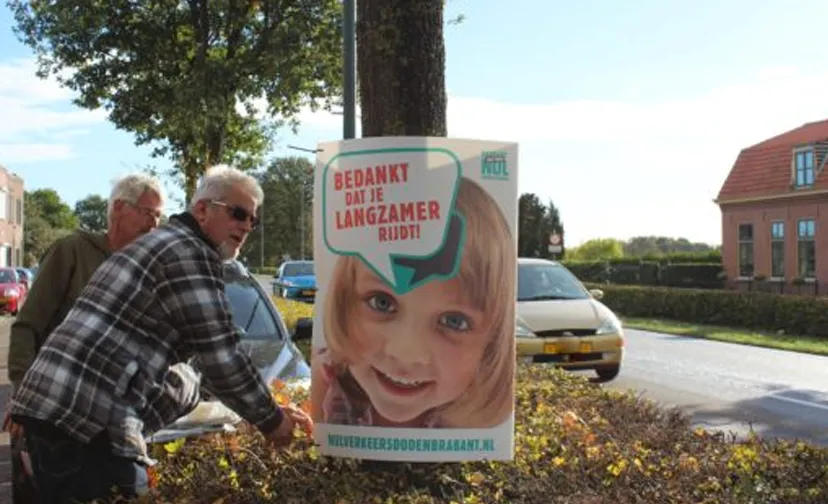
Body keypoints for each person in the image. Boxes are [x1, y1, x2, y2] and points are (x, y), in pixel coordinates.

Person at [8, 165, 312, 504]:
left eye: (253, 220)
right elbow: (221, 357)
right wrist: (272, 421)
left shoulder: (161, 245)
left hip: (66, 418)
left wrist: (273, 404)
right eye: (238, 213)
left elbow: (197, 366)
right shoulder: (188, 253)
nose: (246, 226)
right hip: (82, 423)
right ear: (202, 209)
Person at [3, 173, 170, 502]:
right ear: (119, 208)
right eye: (148, 213)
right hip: (56, 417)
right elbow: (28, 327)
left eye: (159, 216)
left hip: (116, 425)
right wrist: (24, 398)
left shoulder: (150, 269)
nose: (155, 224)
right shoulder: (73, 252)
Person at [311, 176, 516, 429]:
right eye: (382, 302)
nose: (405, 353)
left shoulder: (475, 426)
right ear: (344, 300)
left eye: (454, 321)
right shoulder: (329, 380)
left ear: (492, 344)